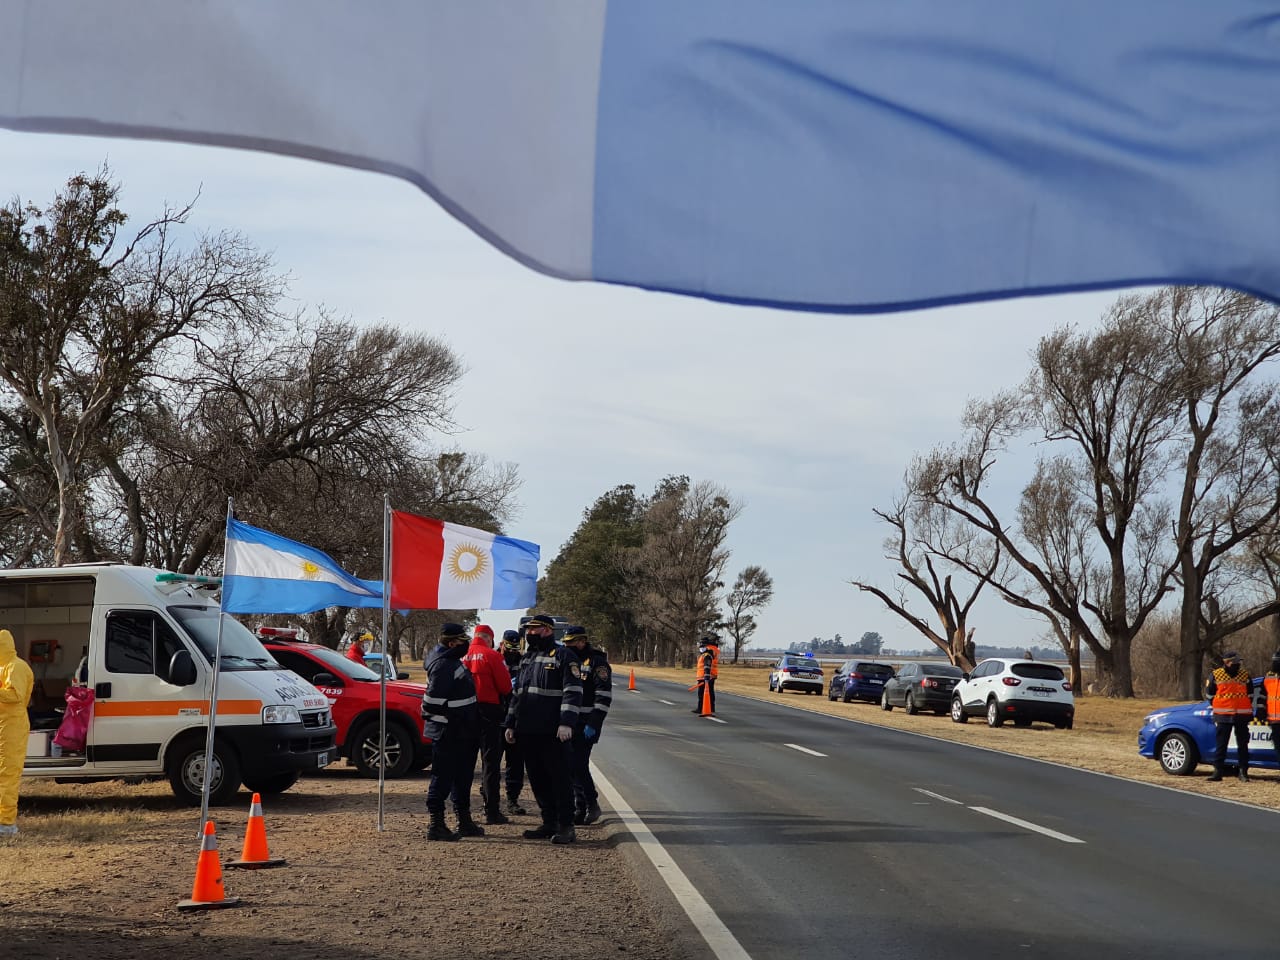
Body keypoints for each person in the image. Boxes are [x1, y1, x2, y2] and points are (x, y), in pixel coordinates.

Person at [504, 613, 582, 844]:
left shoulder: (564, 655)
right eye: (528, 629)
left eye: (534, 629)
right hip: (528, 730)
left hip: (553, 731)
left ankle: (566, 825)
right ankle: (548, 822)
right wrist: (510, 723)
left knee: (559, 779)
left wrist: (566, 722)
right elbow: (517, 694)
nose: (529, 633)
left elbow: (573, 691)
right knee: (537, 779)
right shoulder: (527, 658)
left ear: (547, 630)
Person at [422, 623, 484, 841]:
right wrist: (453, 718)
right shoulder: (444, 665)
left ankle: (464, 821)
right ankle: (436, 825)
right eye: (462, 640)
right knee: (443, 778)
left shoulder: (450, 661)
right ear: (452, 643)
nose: (465, 644)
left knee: (463, 777)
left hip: (463, 731)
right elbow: (430, 704)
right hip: (449, 733)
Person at [462, 624, 513, 824]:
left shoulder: (461, 655)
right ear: (490, 639)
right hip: (489, 713)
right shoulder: (492, 656)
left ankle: (463, 813)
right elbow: (505, 686)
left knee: (465, 764)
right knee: (490, 763)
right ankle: (491, 811)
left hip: (464, 712)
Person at [564, 625, 611, 825]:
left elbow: (604, 697)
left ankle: (591, 803)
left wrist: (593, 723)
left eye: (572, 643)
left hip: (587, 723)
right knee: (570, 767)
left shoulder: (597, 663)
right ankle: (579, 807)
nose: (568, 646)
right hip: (569, 722)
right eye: (566, 643)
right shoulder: (568, 661)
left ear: (582, 642)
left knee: (579, 764)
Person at [0, 629, 34, 836]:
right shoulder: (3, 666)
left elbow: (15, 695)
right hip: (3, 725)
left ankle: (6, 823)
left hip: (12, 728)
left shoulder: (17, 667)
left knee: (7, 775)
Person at [1205, 650, 1252, 782]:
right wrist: (1219, 705)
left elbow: (1250, 694)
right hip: (1223, 715)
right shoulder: (1215, 675)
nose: (1238, 665)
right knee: (1221, 745)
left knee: (1243, 745)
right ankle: (1218, 772)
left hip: (1241, 716)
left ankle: (1243, 772)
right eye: (1236, 662)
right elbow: (1209, 695)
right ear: (1228, 663)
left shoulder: (1245, 675)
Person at [499, 628, 528, 815]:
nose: (512, 652)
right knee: (491, 763)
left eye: (515, 649)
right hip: (495, 717)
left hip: (517, 718)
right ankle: (490, 799)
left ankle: (512, 799)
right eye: (509, 648)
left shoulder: (524, 661)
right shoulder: (494, 659)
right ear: (502, 644)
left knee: (515, 763)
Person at [693, 635, 720, 715]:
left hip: (705, 677)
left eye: (702, 646)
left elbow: (707, 666)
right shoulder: (710, 653)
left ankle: (701, 708)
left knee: (702, 693)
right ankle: (711, 708)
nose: (700, 648)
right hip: (709, 676)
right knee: (710, 692)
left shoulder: (707, 655)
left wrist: (706, 676)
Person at [1262, 651, 1280, 770]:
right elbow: (1262, 696)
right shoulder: (1269, 677)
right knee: (1278, 748)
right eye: (1275, 661)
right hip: (1274, 721)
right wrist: (1261, 711)